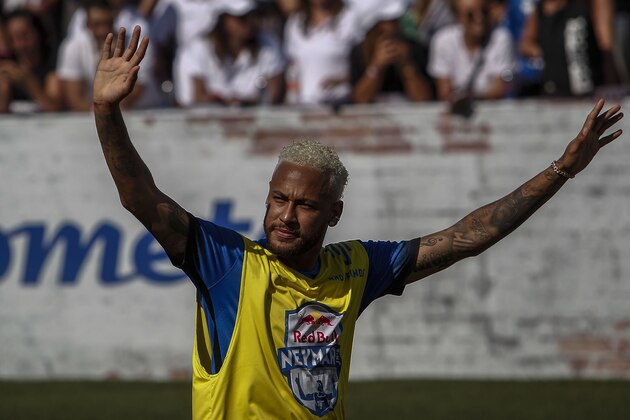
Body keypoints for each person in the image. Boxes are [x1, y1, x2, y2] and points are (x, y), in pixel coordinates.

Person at [93, 26, 624, 419]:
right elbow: (138, 195)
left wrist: (561, 170)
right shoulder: (227, 262)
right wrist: (105, 110)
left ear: (333, 214)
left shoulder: (355, 268)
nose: (286, 215)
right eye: (279, 199)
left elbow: (469, 236)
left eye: (304, 205)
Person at [178, 0, 285, 106]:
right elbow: (197, 98)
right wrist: (226, 104)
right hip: (208, 121)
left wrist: (244, 104)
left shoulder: (268, 43)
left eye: (252, 15)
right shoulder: (198, 48)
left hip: (258, 121)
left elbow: (274, 95)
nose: (249, 22)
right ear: (223, 19)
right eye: (241, 17)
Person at [428, 0, 515, 106]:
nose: (479, 18)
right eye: (470, 14)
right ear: (458, 17)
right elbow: (444, 92)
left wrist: (468, 98)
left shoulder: (501, 38)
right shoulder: (443, 41)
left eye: (484, 11)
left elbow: (499, 89)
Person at [350, 0, 433, 104]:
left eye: (395, 19)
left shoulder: (416, 48)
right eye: (387, 21)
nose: (393, 26)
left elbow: (423, 99)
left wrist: (406, 65)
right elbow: (360, 99)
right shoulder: (359, 52)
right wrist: (376, 67)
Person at [283, 0, 361, 105]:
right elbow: (293, 67)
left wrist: (341, 80)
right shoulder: (295, 21)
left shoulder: (349, 17)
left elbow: (364, 64)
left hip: (341, 104)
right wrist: (292, 98)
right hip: (304, 106)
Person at [0, 9, 62, 113]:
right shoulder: (6, 66)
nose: (20, 45)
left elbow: (54, 110)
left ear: (39, 33)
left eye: (25, 36)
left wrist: (29, 83)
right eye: (13, 39)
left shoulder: (53, 66)